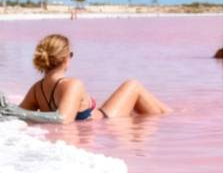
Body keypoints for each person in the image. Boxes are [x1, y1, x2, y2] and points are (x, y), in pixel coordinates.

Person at [0, 34, 171, 124]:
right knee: (132, 85)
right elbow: (63, 119)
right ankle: (172, 120)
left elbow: (15, 114)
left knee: (153, 105)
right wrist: (18, 112)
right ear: (66, 57)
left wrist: (13, 110)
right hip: (107, 120)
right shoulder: (73, 85)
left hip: (100, 120)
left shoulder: (37, 89)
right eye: (71, 54)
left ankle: (171, 115)